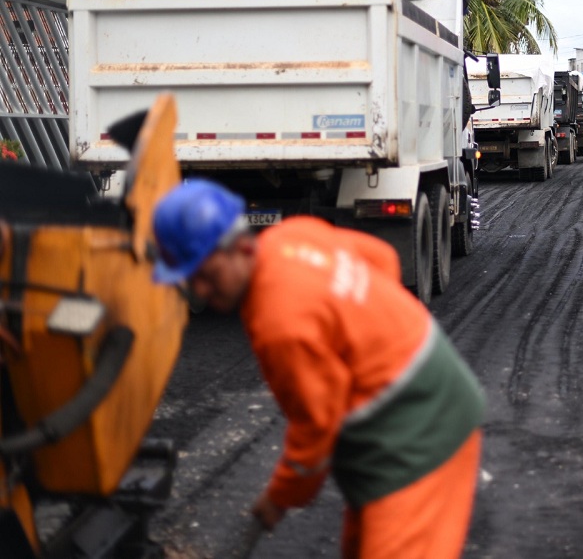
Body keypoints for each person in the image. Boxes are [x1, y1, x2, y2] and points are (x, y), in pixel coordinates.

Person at [152, 180, 485, 559]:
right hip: (414, 405)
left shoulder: (280, 322)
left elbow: (314, 432)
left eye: (207, 274)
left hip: (423, 438)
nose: (202, 290)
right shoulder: (292, 236)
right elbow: (381, 259)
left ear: (241, 246)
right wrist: (362, 331)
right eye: (189, 280)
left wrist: (280, 498)